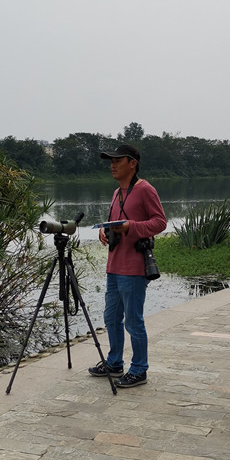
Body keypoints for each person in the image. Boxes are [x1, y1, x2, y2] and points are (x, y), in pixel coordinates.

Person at [88, 143, 167, 388]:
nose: (112, 165)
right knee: (111, 317)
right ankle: (114, 362)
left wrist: (132, 226)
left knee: (133, 321)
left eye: (117, 160)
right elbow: (114, 223)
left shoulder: (145, 189)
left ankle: (139, 370)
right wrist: (104, 232)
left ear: (132, 164)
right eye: (111, 161)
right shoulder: (116, 192)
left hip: (133, 267)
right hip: (114, 265)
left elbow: (160, 222)